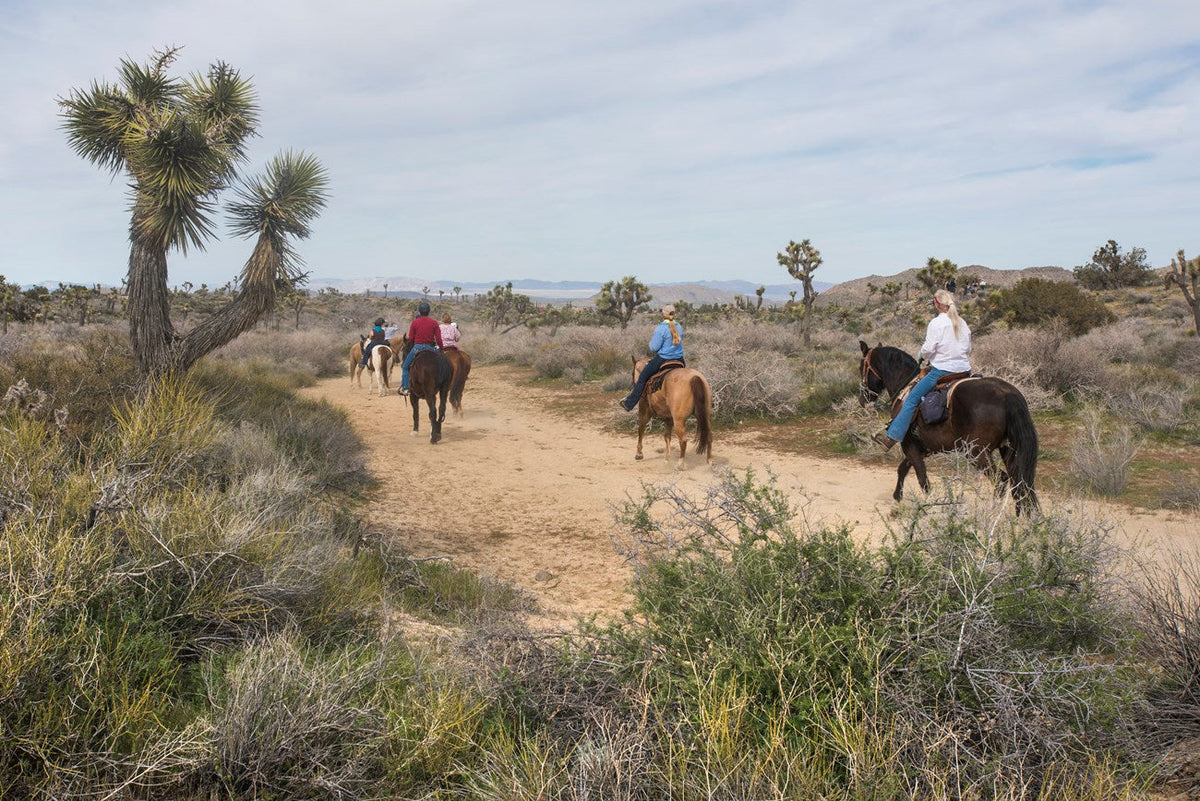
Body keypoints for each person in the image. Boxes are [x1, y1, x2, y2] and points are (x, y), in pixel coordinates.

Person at [872, 288, 972, 450]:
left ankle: (891, 437)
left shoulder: (936, 323)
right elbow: (967, 349)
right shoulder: (962, 323)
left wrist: (921, 354)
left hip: (942, 372)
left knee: (911, 399)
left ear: (937, 304)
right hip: (964, 371)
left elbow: (928, 349)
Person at [619, 304, 684, 412]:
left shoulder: (661, 328)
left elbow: (653, 347)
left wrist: (651, 344)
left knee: (642, 378)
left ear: (664, 314)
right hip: (679, 359)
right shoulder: (679, 326)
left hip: (663, 359)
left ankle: (629, 403)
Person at [399, 301, 443, 396]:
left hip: (417, 348)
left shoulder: (415, 322)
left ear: (419, 311)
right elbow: (439, 339)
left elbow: (411, 338)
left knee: (405, 367)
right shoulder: (434, 323)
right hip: (431, 348)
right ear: (429, 311)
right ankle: (443, 384)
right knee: (443, 364)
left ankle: (405, 388)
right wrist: (441, 349)